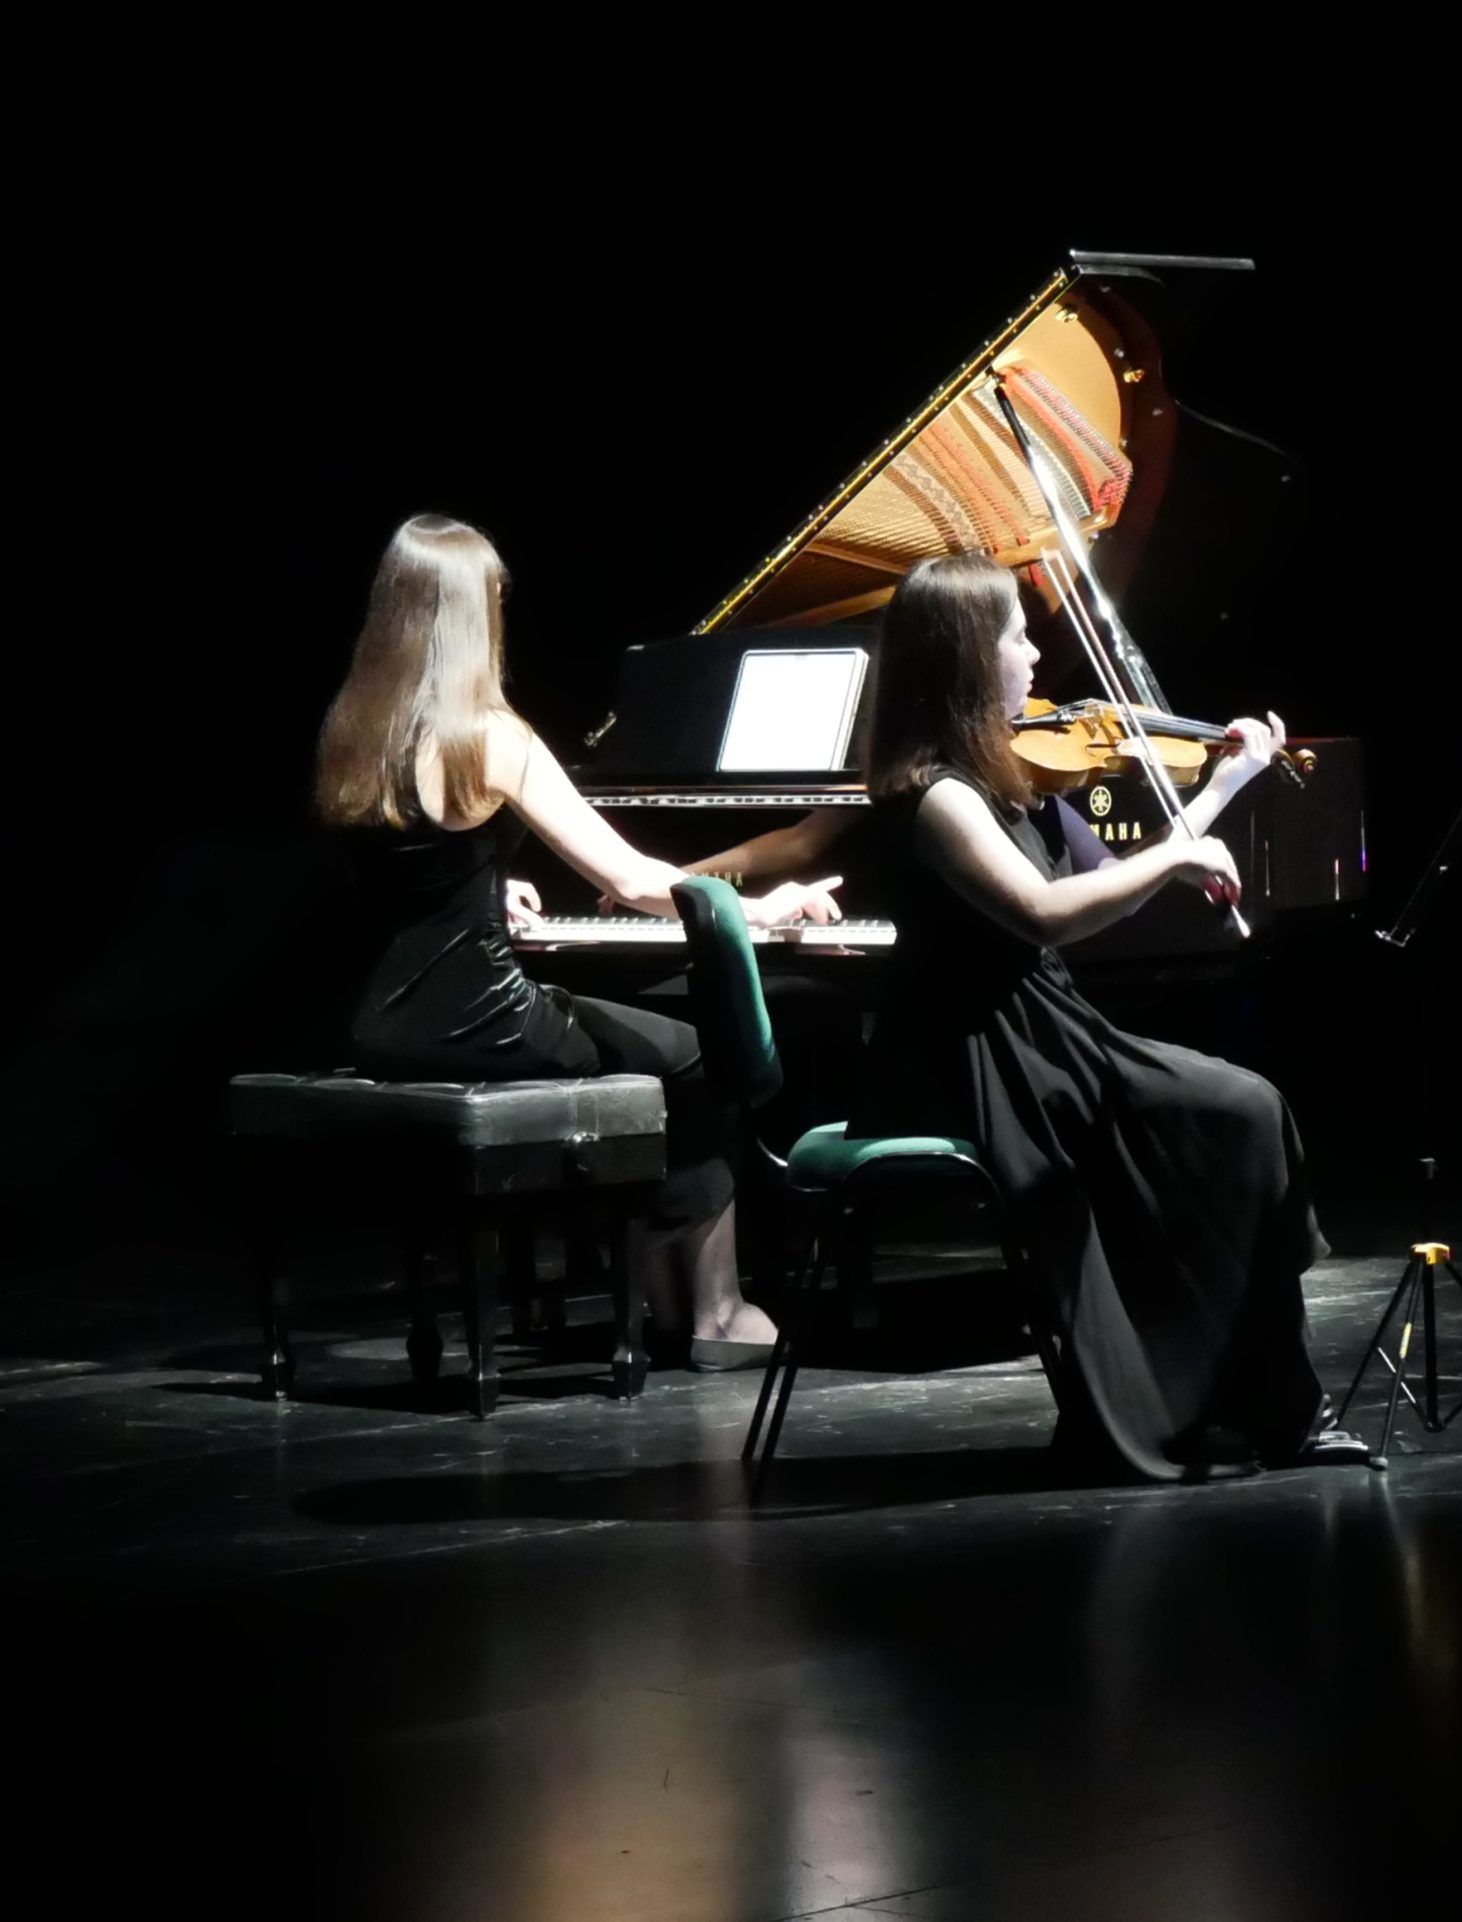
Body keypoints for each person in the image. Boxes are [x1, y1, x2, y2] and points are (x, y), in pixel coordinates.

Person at [855, 551, 1361, 1478]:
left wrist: (1222, 789)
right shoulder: (940, 799)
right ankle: (1242, 1403)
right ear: (969, 655)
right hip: (983, 1055)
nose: (1036, 657)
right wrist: (1176, 860)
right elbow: (1046, 915)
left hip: (1048, 1033)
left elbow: (1108, 889)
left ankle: (1272, 1401)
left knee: (1240, 1112)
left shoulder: (1012, 781)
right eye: (1015, 634)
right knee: (1230, 1115)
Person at [315, 515, 843, 1368]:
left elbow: (405, 873)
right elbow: (637, 880)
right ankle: (715, 1311)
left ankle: (661, 1296)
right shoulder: (493, 738)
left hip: (380, 1022)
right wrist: (761, 911)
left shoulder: (352, 732)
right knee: (700, 1054)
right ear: (476, 613)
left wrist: (485, 884)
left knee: (651, 1050)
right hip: (485, 1020)